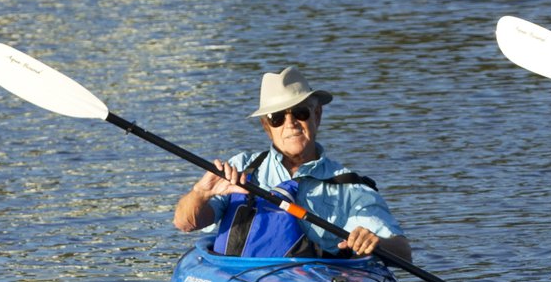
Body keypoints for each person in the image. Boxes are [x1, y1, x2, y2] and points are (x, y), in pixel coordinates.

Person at [172, 67, 413, 264]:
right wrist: (200, 194)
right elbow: (186, 223)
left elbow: (403, 253)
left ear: (317, 115)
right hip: (243, 279)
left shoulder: (350, 186)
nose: (291, 124)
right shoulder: (241, 169)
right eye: (277, 118)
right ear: (267, 127)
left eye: (300, 113)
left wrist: (375, 243)